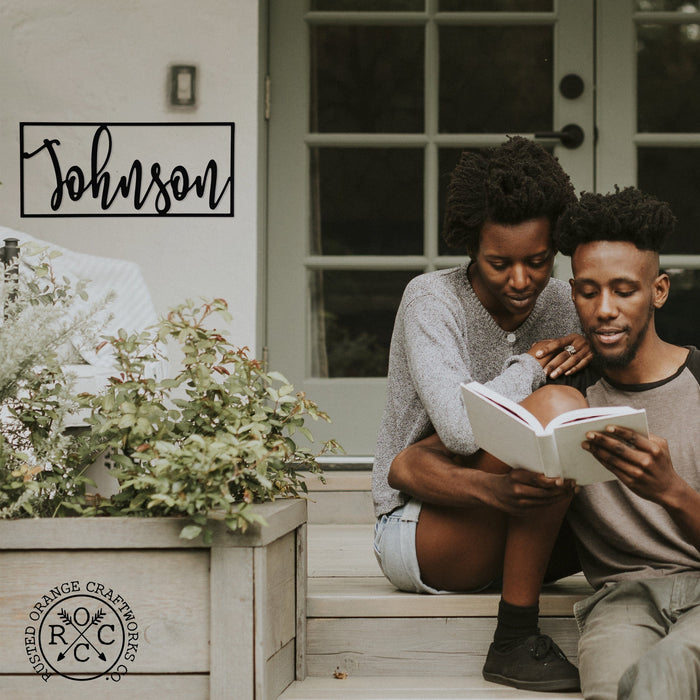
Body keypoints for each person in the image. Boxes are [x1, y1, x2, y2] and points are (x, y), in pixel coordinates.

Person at [372, 136, 591, 692]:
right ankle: (514, 637)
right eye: (500, 263)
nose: (521, 281)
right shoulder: (432, 300)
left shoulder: (564, 301)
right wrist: (532, 366)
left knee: (570, 424)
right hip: (421, 529)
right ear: (471, 249)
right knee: (555, 407)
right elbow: (465, 431)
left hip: (522, 513)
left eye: (538, 261)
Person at [547, 187, 700, 700]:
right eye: (589, 292)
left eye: (624, 290)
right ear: (572, 293)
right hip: (620, 598)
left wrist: (672, 490)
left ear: (658, 291)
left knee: (672, 664)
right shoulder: (564, 397)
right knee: (613, 687)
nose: (604, 309)